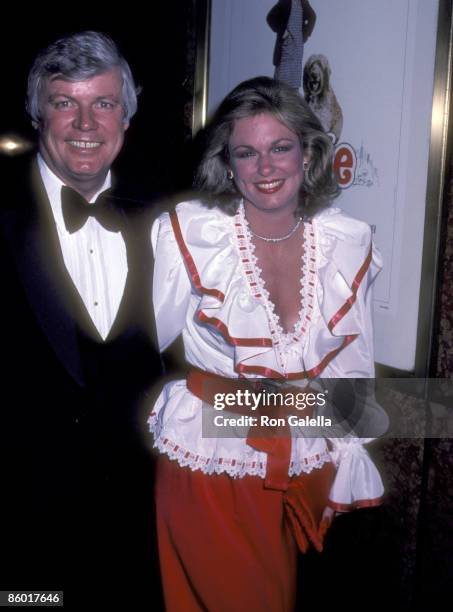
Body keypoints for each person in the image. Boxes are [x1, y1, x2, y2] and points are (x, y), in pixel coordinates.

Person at [149, 76, 385, 611]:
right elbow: (144, 343)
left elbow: (352, 362)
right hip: (207, 453)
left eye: (281, 147)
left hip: (296, 454)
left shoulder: (346, 240)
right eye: (246, 153)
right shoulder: (189, 232)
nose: (266, 167)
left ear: (308, 151)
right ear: (227, 163)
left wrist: (342, 453)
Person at [0, 31, 163, 609]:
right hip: (23, 543)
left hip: (136, 540)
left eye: (104, 103)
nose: (86, 122)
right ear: (38, 113)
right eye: (65, 102)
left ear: (127, 115)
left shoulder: (168, 223)